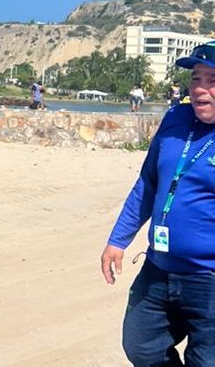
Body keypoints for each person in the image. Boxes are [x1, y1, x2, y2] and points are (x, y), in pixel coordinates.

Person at [101, 40, 215, 366]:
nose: (200, 89)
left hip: (209, 279)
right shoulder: (175, 120)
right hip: (158, 269)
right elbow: (147, 185)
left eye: (213, 81)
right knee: (140, 344)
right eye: (196, 78)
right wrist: (117, 240)